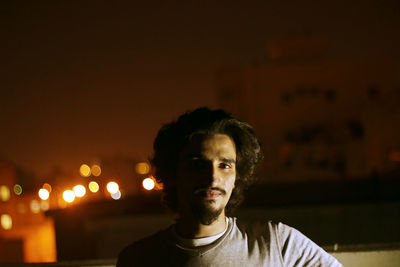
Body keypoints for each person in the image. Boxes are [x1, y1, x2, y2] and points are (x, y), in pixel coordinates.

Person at [117, 107, 342, 267]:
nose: (213, 177)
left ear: (237, 177)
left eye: (224, 165)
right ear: (173, 172)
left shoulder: (276, 243)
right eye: (198, 165)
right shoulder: (138, 259)